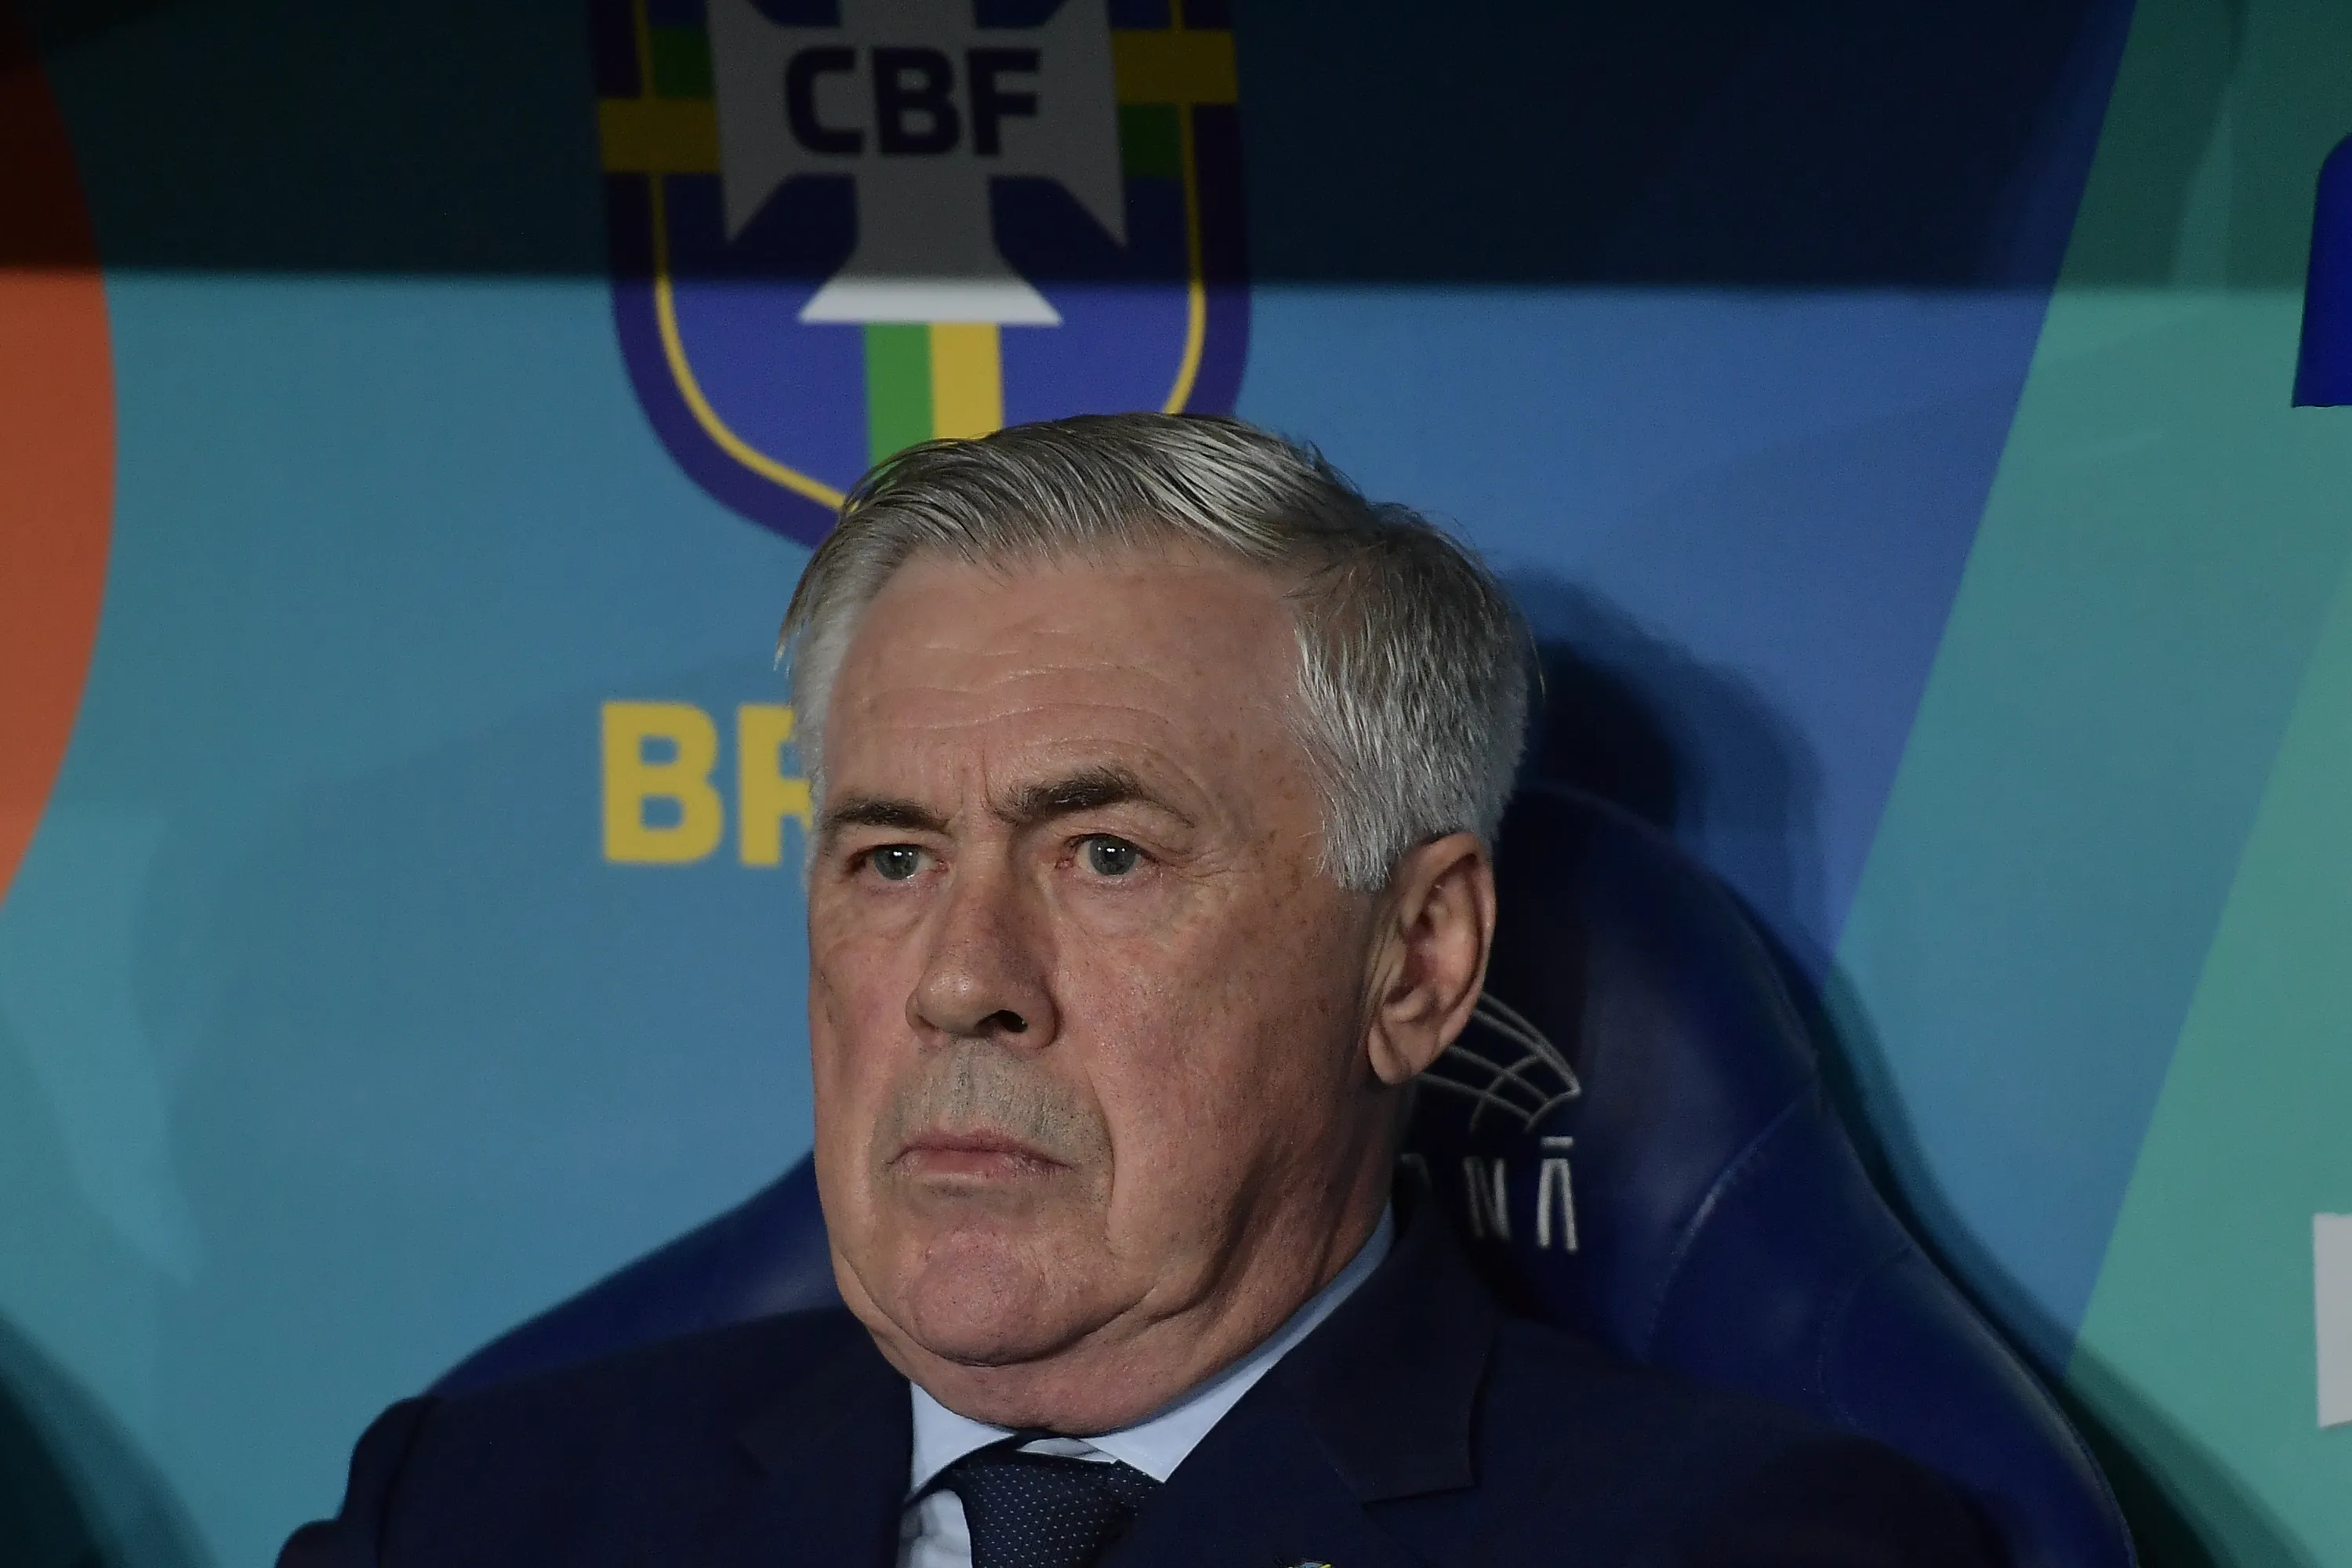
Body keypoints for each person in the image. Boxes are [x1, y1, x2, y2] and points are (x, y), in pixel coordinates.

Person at [281, 414, 1994, 1567]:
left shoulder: (1752, 1544)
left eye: (1105, 853)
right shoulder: (474, 1509)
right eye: (890, 859)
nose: (962, 980)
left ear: (1416, 962)